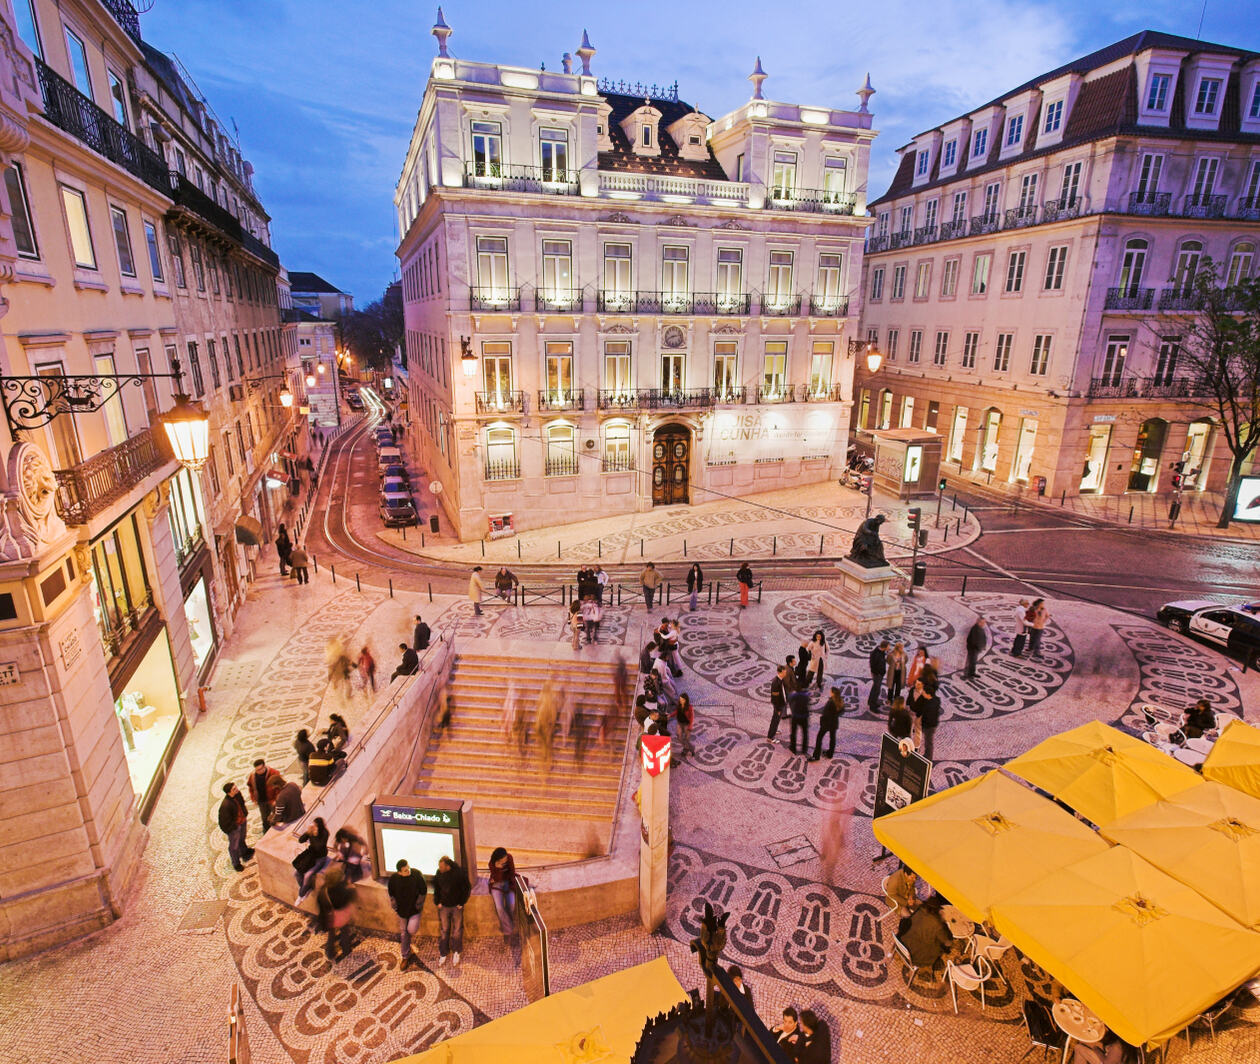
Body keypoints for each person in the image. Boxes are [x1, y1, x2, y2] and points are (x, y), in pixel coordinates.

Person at [899, 894, 960, 973]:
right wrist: (943, 924)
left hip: (904, 942)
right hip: (916, 956)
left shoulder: (919, 910)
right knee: (939, 947)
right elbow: (947, 942)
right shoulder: (938, 925)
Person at [388, 858, 427, 970]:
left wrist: (419, 905)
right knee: (404, 933)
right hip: (402, 912)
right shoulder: (394, 879)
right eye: (405, 870)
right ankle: (405, 956)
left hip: (414, 910)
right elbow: (391, 893)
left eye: (408, 868)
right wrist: (394, 905)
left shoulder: (416, 875)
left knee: (411, 930)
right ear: (399, 872)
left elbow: (423, 890)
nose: (408, 871)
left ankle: (407, 946)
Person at [433, 854, 471, 966]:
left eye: (441, 867)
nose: (439, 869)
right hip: (444, 906)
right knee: (444, 930)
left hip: (456, 906)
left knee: (457, 930)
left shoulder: (458, 873)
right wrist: (438, 901)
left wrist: (461, 902)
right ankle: (444, 952)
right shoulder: (439, 873)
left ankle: (456, 951)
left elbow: (466, 888)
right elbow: (437, 888)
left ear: (447, 866)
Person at [317, 863, 357, 961]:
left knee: (331, 935)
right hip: (342, 916)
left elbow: (321, 905)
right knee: (344, 932)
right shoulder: (342, 890)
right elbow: (349, 898)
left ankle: (330, 952)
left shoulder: (323, 890)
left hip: (330, 918)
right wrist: (352, 889)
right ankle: (346, 949)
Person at [292, 817, 330, 899]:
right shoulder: (311, 832)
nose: (314, 827)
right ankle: (306, 889)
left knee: (308, 875)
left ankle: (301, 895)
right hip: (310, 856)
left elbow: (318, 847)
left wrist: (314, 835)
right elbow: (301, 840)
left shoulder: (325, 833)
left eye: (316, 826)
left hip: (320, 858)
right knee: (296, 874)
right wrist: (308, 832)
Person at [218, 782, 251, 872]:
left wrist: (244, 813)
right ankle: (236, 863)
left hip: (242, 821)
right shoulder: (225, 805)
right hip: (234, 828)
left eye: (236, 787)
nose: (237, 789)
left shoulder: (237, 794)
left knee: (242, 838)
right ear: (229, 792)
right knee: (234, 847)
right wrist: (233, 827)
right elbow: (223, 823)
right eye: (234, 789)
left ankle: (244, 852)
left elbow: (242, 803)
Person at [488, 846, 518, 947]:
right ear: (498, 859)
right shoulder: (492, 864)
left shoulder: (509, 858)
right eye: (503, 858)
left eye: (505, 857)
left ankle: (508, 924)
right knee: (499, 907)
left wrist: (506, 879)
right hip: (497, 885)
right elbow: (496, 878)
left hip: (508, 883)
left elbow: (512, 873)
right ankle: (508, 931)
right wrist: (498, 869)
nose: (505, 859)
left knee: (512, 904)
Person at [908, 679, 942, 761]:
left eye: (919, 684)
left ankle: (920, 750)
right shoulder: (914, 690)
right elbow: (909, 699)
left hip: (923, 720)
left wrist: (922, 721)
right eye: (916, 683)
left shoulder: (928, 701)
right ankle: (909, 743)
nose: (916, 685)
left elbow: (927, 713)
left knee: (926, 740)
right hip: (913, 713)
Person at [247, 759, 282, 833]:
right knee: (265, 818)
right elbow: (251, 787)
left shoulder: (274, 773)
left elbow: (279, 787)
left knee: (278, 815)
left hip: (272, 800)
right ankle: (266, 832)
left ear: (264, 766)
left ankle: (279, 831)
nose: (259, 772)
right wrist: (253, 798)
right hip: (261, 801)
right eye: (257, 770)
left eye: (260, 769)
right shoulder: (253, 776)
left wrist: (276, 799)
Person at [811, 688, 843, 761]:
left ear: (833, 693)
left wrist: (822, 721)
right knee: (832, 738)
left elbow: (826, 713)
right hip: (834, 723)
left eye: (831, 692)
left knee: (819, 738)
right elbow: (841, 711)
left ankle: (816, 756)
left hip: (826, 723)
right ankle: (830, 754)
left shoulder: (831, 702)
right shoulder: (840, 701)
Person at [767, 664, 789, 744]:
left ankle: (774, 731)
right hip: (778, 706)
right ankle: (770, 737)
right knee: (775, 720)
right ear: (779, 672)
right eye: (784, 672)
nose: (785, 673)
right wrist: (778, 709)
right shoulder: (775, 683)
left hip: (781, 704)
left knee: (777, 719)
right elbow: (775, 699)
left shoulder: (781, 680)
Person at [788, 688, 811, 755]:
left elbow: (789, 699)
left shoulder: (795, 695)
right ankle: (804, 749)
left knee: (793, 733)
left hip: (796, 716)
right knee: (805, 733)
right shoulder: (806, 695)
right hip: (804, 717)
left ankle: (793, 748)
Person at [869, 638, 889, 709]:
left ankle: (870, 701)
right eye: (888, 646)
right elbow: (873, 664)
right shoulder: (877, 654)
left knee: (874, 688)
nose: (889, 648)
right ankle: (872, 706)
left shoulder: (880, 652)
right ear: (885, 647)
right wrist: (877, 673)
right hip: (877, 674)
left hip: (878, 674)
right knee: (877, 690)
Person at [675, 692, 696, 759]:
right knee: (679, 737)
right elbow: (676, 711)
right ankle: (687, 748)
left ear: (686, 700)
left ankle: (689, 749)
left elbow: (692, 717)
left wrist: (690, 725)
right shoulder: (679, 705)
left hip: (686, 724)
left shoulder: (689, 707)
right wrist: (670, 715)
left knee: (687, 739)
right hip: (680, 723)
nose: (681, 701)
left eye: (682, 700)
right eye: (680, 699)